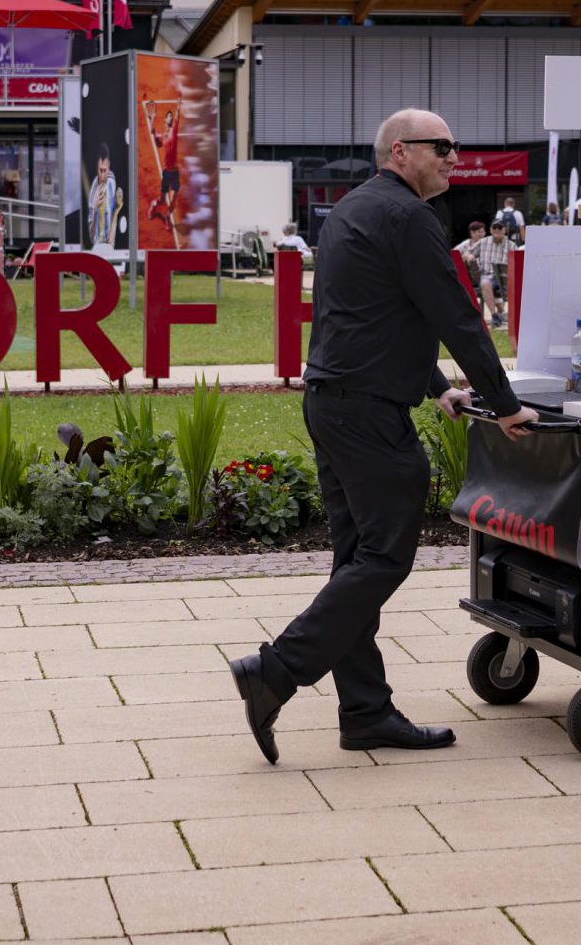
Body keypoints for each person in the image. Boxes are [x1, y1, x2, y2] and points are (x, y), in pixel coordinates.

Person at [230, 107, 537, 764]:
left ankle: (365, 712)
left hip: (333, 405)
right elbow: (455, 316)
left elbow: (378, 316)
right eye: (443, 146)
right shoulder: (409, 219)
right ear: (401, 151)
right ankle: (275, 671)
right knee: (384, 559)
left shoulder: (353, 211)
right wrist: (505, 405)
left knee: (356, 563)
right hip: (368, 417)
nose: (455, 157)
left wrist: (436, 389)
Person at [148, 109, 182, 229]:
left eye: (171, 116)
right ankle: (154, 205)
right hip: (167, 173)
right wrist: (152, 119)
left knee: (173, 202)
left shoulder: (175, 130)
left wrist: (179, 104)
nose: (170, 118)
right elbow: (153, 134)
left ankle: (167, 217)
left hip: (175, 173)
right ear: (165, 120)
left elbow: (178, 113)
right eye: (168, 116)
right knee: (162, 200)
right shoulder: (163, 137)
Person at [478, 218, 511, 329]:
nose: (497, 230)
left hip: (505, 281)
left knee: (487, 283)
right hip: (488, 279)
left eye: (499, 227)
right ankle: (494, 315)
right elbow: (466, 252)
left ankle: (500, 311)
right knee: (485, 283)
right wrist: (468, 255)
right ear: (491, 230)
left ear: (504, 230)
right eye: (494, 227)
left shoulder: (511, 245)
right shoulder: (483, 242)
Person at [87, 145, 122, 248]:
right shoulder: (93, 194)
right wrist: (95, 209)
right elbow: (91, 237)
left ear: (109, 167)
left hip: (111, 243)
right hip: (98, 247)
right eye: (100, 170)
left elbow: (113, 212)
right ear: (97, 168)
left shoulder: (112, 180)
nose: (102, 176)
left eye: (105, 170)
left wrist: (112, 240)